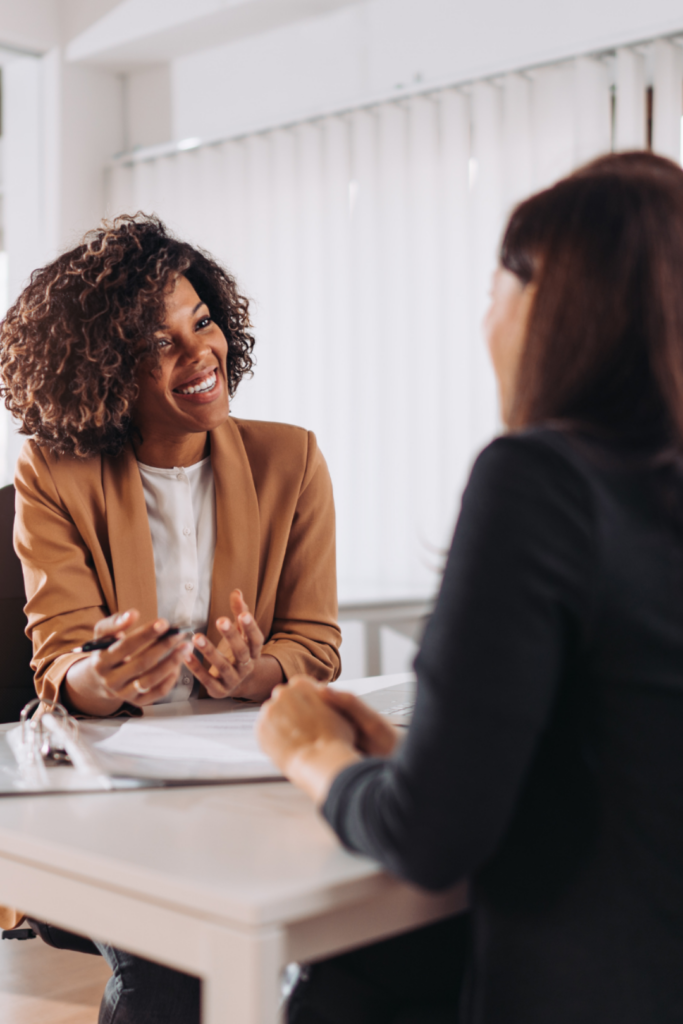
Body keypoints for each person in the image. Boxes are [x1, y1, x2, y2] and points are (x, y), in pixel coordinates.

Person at [257, 151, 683, 1024]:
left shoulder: (538, 481)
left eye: (494, 288)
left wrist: (309, 752)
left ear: (551, 306)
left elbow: (430, 836)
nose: (482, 317)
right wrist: (419, 760)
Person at [0, 214, 341, 1021]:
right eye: (161, 344)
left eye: (203, 323)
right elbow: (58, 665)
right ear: (105, 368)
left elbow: (314, 644)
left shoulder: (290, 460)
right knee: (168, 979)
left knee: (343, 951)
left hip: (248, 779)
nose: (200, 357)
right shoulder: (54, 473)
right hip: (115, 787)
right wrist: (104, 674)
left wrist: (255, 671)